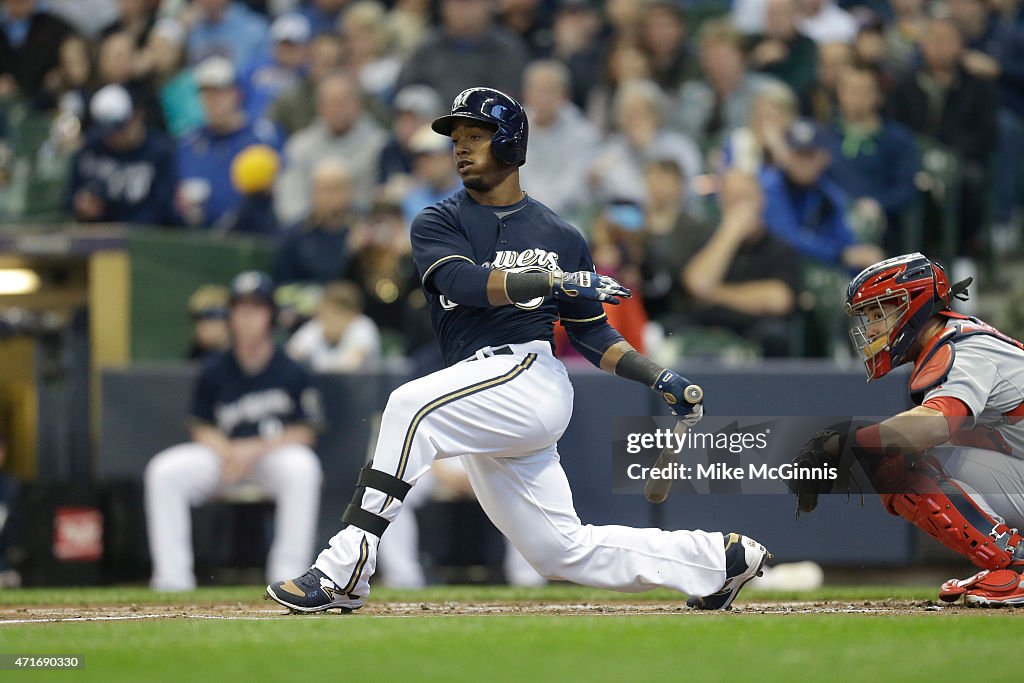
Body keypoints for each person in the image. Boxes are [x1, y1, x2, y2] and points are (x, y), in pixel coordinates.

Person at [266, 86, 771, 613]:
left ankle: (344, 569)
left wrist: (658, 376)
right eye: (456, 138)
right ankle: (717, 561)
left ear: (509, 142)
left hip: (527, 373)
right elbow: (460, 282)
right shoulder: (439, 221)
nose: (460, 147)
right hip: (481, 389)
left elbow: (591, 334)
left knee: (407, 406)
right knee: (559, 551)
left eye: (475, 136)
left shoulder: (561, 233)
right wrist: (553, 282)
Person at [793, 253, 1024, 605]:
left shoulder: (964, 348)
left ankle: (1016, 567)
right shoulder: (958, 339)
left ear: (911, 304)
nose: (869, 328)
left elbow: (935, 424)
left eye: (876, 313)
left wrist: (849, 442)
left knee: (903, 461)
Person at [145, 270, 324, 592]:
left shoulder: (292, 368)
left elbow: (305, 431)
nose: (246, 318)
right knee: (164, 471)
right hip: (224, 459)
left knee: (303, 467)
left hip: (271, 457)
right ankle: (172, 581)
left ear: (270, 315)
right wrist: (227, 451)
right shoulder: (215, 368)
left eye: (256, 309)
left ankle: (288, 579)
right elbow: (200, 425)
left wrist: (254, 448)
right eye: (240, 309)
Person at [176, 56, 282, 228]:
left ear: (236, 94)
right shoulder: (188, 143)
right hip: (200, 239)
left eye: (218, 92)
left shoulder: (263, 136)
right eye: (206, 93)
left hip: (253, 236)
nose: (212, 101)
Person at [273, 71, 385, 223]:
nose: (337, 109)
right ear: (319, 108)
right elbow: (290, 201)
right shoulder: (299, 146)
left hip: (361, 232)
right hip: (310, 231)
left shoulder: (379, 145)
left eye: (343, 102)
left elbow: (378, 199)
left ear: (358, 105)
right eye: (331, 103)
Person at [67, 84, 178, 226]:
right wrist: (80, 204)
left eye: (120, 129)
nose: (113, 137)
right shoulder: (91, 147)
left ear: (136, 116)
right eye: (107, 131)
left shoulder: (160, 151)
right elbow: (69, 195)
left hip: (144, 240)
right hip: (97, 236)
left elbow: (162, 209)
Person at [286, 281, 382, 373]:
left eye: (336, 313)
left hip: (361, 388)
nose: (329, 318)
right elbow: (289, 358)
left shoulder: (362, 326)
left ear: (351, 314)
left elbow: (351, 366)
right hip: (322, 388)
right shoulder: (316, 326)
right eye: (325, 312)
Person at [186, 284, 231, 361]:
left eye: (210, 316)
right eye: (198, 318)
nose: (203, 326)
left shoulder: (243, 359)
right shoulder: (194, 356)